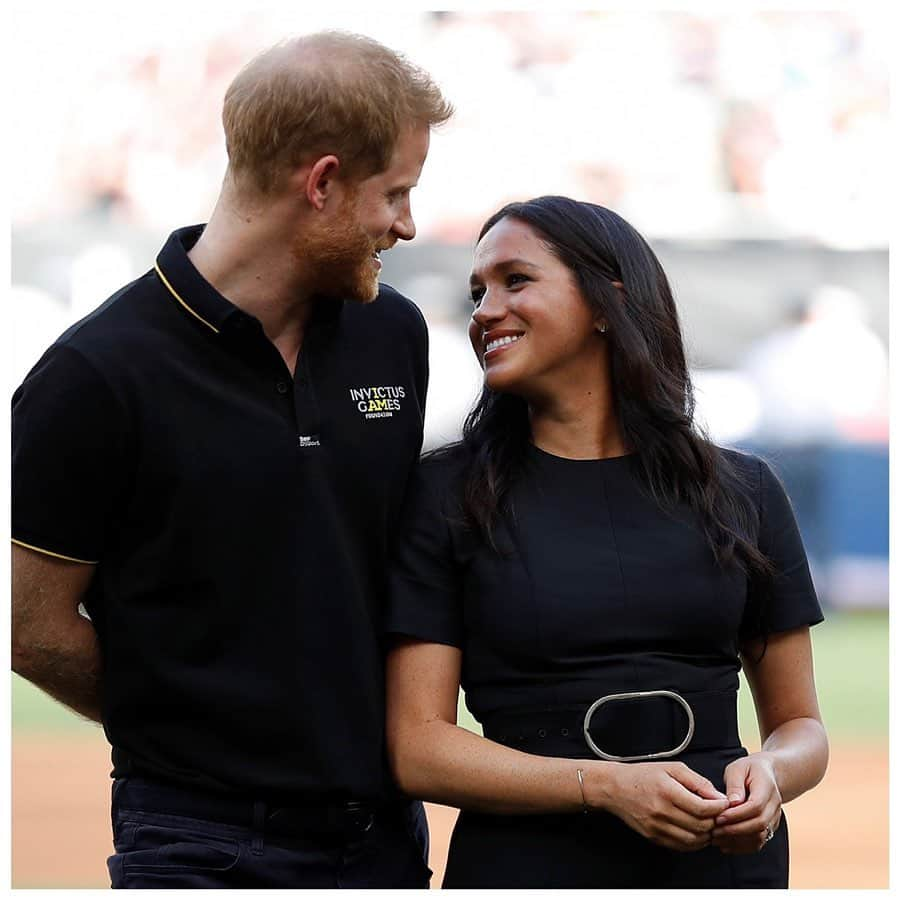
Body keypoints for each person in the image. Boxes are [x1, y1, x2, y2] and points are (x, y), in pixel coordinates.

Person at [12, 31, 452, 889]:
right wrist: (191, 728)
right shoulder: (95, 375)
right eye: (395, 193)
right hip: (194, 840)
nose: (406, 225)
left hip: (384, 836)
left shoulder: (393, 334)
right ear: (322, 184)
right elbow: (30, 627)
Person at [385, 196, 828, 888]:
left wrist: (771, 775)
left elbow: (801, 726)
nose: (484, 310)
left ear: (604, 302)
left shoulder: (746, 490)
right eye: (478, 292)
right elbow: (419, 748)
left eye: (515, 281)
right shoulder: (444, 494)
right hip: (531, 865)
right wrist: (605, 787)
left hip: (721, 863)